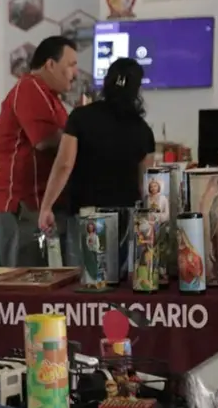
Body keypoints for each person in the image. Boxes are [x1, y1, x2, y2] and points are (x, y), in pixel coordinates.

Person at [37, 58, 155, 262]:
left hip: (87, 215)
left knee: (86, 282)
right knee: (120, 285)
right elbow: (145, 184)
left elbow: (64, 164)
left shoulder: (80, 117)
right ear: (137, 90)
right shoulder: (143, 130)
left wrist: (46, 206)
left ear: (106, 83)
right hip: (126, 218)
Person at [0, 36, 78, 267]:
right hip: (23, 207)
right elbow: (44, 140)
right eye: (71, 65)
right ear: (50, 65)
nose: (75, 73)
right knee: (24, 287)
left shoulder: (51, 97)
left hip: (38, 206)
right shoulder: (31, 87)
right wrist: (78, 137)